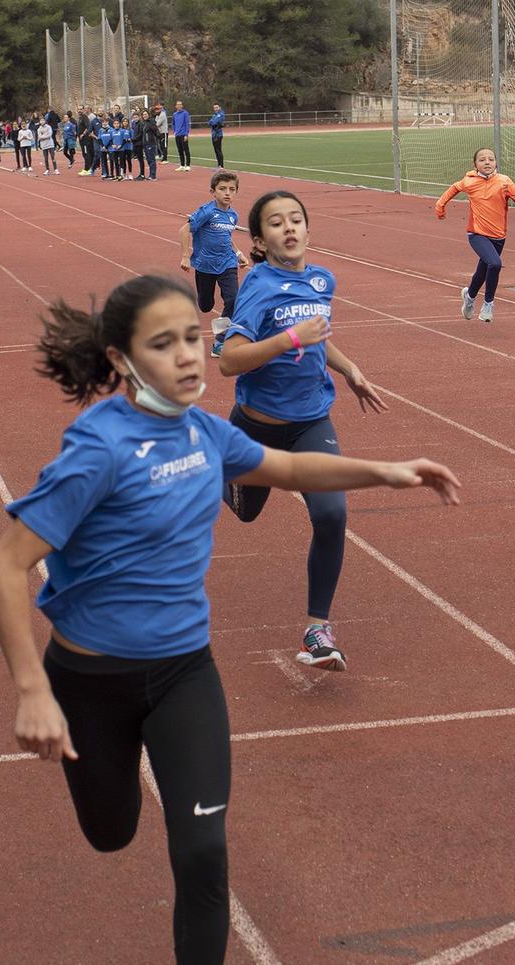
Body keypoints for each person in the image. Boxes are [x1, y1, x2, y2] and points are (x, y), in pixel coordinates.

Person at [0, 274, 459, 965]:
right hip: (90, 680)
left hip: (184, 673)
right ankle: (110, 771)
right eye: (162, 344)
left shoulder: (205, 433)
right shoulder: (98, 449)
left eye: (192, 338)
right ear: (120, 359)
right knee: (111, 833)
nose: (187, 356)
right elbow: (4, 566)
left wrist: (385, 471)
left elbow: (288, 467)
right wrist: (32, 690)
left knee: (204, 851)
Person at [215, 190, 386, 671]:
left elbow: (318, 338)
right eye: (276, 222)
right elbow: (229, 360)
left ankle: (317, 629)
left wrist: (349, 369)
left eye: (296, 219)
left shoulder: (321, 280)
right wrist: (291, 337)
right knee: (246, 514)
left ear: (308, 230)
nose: (288, 227)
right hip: (257, 429)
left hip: (311, 422)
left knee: (332, 514)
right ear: (259, 241)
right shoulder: (258, 287)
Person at [434, 148, 515, 322]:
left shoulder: (504, 181)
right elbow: (453, 189)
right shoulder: (469, 181)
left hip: (499, 237)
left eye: (491, 159)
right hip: (477, 234)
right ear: (475, 165)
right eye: (482, 160)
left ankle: (469, 297)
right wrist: (440, 206)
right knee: (495, 263)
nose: (487, 162)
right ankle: (488, 304)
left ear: (496, 163)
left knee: (483, 271)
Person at [178, 171, 247, 342]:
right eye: (222, 189)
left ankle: (220, 339)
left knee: (233, 300)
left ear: (236, 192)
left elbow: (226, 236)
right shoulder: (207, 212)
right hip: (205, 265)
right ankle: (205, 302)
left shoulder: (233, 215)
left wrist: (238, 253)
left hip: (227, 263)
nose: (227, 193)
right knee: (206, 306)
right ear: (213, 192)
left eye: (232, 189)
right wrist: (186, 256)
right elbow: (184, 230)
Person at [172, 101, 193, 171]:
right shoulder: (174, 114)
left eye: (180, 104)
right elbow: (173, 123)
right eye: (178, 105)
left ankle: (188, 165)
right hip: (177, 135)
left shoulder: (185, 113)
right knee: (180, 150)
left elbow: (187, 124)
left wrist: (186, 134)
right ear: (176, 106)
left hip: (183, 135)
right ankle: (182, 165)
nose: (179, 106)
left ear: (182, 106)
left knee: (186, 150)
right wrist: (174, 131)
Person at [207, 103, 226, 168]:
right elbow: (209, 123)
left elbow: (215, 122)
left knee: (218, 150)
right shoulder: (214, 115)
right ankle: (219, 165)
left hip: (218, 134)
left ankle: (221, 166)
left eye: (217, 107)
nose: (215, 109)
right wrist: (212, 122)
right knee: (216, 151)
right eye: (214, 108)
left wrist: (213, 122)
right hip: (213, 134)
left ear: (219, 107)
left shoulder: (221, 114)